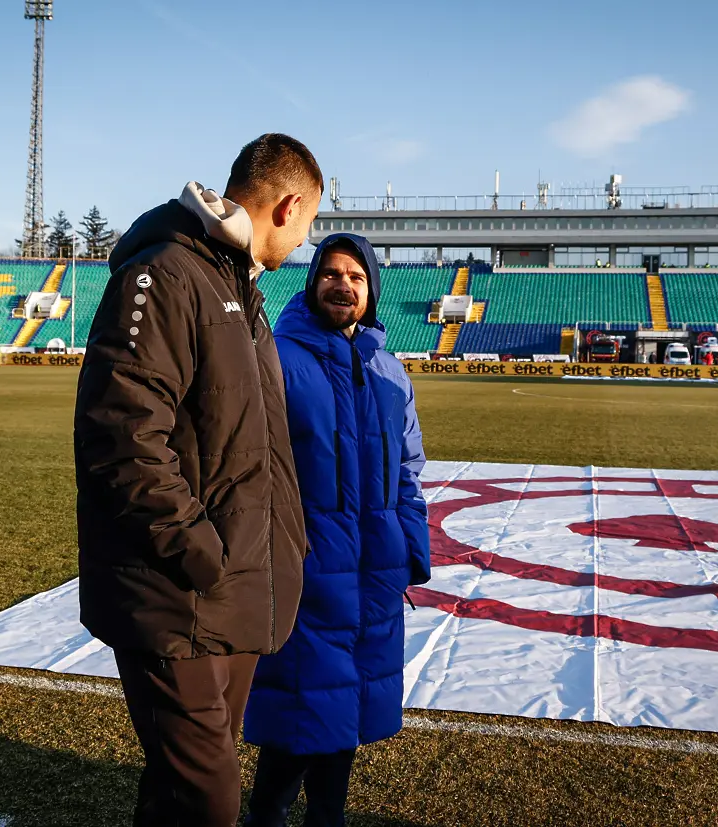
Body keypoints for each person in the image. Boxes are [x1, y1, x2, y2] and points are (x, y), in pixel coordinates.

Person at [74, 133, 322, 826]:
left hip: (229, 589)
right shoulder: (170, 273)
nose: (306, 241)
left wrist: (280, 546)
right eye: (309, 224)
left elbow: (258, 450)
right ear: (290, 205)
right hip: (178, 592)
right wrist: (197, 549)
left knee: (179, 793)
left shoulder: (238, 286)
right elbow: (121, 434)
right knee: (207, 800)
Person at [243, 234, 432, 827]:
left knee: (344, 712)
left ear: (371, 289)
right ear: (312, 281)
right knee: (303, 714)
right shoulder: (277, 359)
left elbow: (408, 468)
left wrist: (409, 548)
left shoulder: (391, 371)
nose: (342, 283)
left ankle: (325, 818)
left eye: (355, 275)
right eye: (330, 272)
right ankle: (265, 816)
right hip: (308, 571)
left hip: (373, 571)